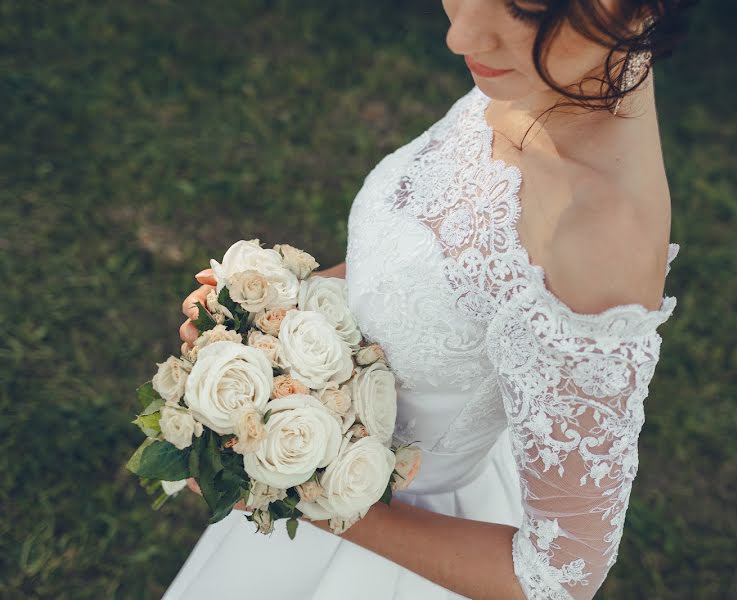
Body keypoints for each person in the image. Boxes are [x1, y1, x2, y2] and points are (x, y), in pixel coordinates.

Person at [163, 1, 692, 598]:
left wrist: (295, 491)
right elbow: (433, 275)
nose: (459, 33)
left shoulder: (595, 240)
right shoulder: (557, 78)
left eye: (526, 8)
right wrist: (265, 321)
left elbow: (554, 579)